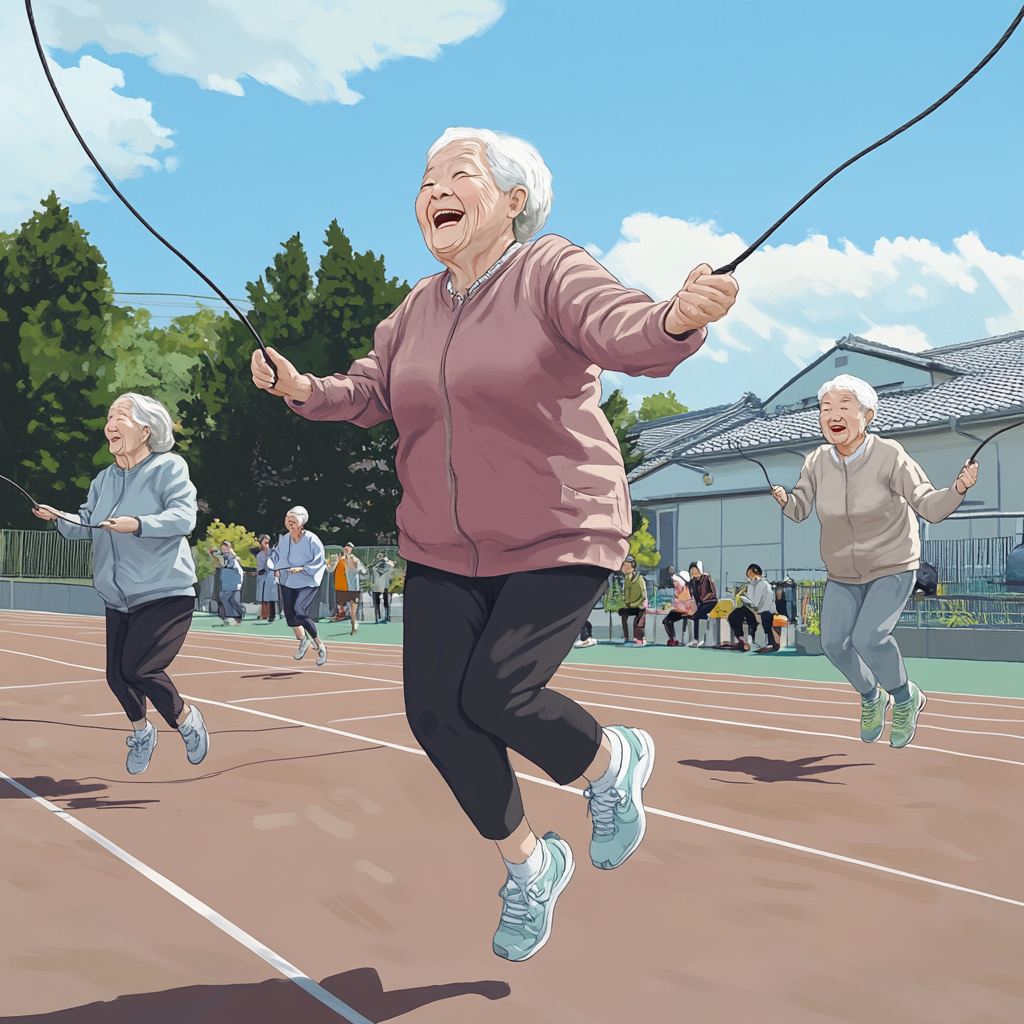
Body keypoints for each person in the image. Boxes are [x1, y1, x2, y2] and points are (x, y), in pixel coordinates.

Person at [251, 126, 737, 961]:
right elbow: (370, 391)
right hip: (441, 546)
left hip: (560, 529)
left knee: (499, 696)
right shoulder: (415, 307)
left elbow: (625, 329)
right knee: (437, 714)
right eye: (426, 179)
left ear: (513, 201)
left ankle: (610, 764)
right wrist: (302, 388)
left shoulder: (551, 269)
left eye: (458, 174)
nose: (434, 189)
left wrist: (676, 319)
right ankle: (528, 865)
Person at [772, 374, 979, 747]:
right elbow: (801, 508)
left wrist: (958, 490)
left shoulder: (890, 455)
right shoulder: (817, 460)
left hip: (893, 564)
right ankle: (872, 696)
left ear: (867, 414)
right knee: (834, 644)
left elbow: (929, 506)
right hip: (842, 572)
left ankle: (904, 697)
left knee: (870, 637)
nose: (832, 415)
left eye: (843, 407)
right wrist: (787, 501)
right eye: (825, 409)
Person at [32, 393, 209, 775]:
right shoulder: (104, 479)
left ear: (146, 430)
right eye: (109, 416)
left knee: (139, 669)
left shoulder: (169, 467)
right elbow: (87, 522)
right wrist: (58, 516)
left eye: (121, 417)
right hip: (118, 597)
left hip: (165, 591)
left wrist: (139, 523)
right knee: (116, 676)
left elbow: (184, 518)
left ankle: (185, 718)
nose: (110, 424)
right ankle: (142, 732)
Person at [268, 507, 328, 666]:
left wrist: (302, 568)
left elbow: (320, 560)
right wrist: (275, 567)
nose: (290, 524)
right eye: (288, 520)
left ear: (301, 524)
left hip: (308, 580)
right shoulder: (284, 539)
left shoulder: (311, 539)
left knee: (299, 610)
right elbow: (277, 556)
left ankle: (318, 642)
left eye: (293, 521)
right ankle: (303, 640)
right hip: (288, 580)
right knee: (290, 616)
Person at [727, 564, 777, 651]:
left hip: (765, 608)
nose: (750, 576)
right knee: (733, 616)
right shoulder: (750, 585)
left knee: (765, 619)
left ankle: (769, 644)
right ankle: (742, 639)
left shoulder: (764, 584)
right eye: (749, 575)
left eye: (752, 574)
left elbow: (756, 602)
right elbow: (751, 601)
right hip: (753, 608)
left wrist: (748, 602)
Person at [331, 542, 365, 633]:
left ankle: (354, 622)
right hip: (341, 587)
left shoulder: (355, 559)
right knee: (340, 603)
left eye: (349, 549)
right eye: (345, 549)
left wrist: (357, 567)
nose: (346, 551)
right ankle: (342, 614)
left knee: (352, 605)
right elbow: (330, 569)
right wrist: (333, 562)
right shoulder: (339, 559)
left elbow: (361, 569)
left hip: (352, 587)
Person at [210, 540, 244, 625]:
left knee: (232, 600)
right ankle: (230, 617)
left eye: (225, 548)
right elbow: (222, 565)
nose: (223, 550)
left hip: (233, 583)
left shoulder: (232, 559)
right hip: (225, 583)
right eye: (222, 549)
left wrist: (239, 582)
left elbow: (228, 565)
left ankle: (238, 614)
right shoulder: (223, 557)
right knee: (225, 599)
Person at [684, 561, 718, 647]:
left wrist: (705, 599)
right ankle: (698, 639)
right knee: (697, 617)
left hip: (711, 601)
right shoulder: (693, 581)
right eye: (691, 570)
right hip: (702, 603)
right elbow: (695, 595)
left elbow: (712, 591)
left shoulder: (706, 577)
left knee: (696, 616)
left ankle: (698, 639)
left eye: (695, 569)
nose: (693, 572)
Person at [662, 567, 696, 646]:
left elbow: (686, 605)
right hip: (680, 611)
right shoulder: (678, 590)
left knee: (668, 620)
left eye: (676, 582)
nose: (674, 583)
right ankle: (673, 638)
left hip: (685, 612)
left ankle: (673, 638)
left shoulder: (686, 591)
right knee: (667, 621)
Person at [618, 556, 648, 646]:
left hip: (640, 606)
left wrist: (634, 604)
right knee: (623, 615)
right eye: (624, 566)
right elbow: (625, 594)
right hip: (630, 605)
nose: (625, 569)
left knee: (638, 620)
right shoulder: (626, 580)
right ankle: (626, 637)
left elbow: (643, 596)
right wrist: (625, 602)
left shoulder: (640, 579)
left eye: (628, 567)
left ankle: (639, 637)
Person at [254, 534, 278, 622]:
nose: (267, 545)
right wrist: (261, 569)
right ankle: (265, 614)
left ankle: (274, 614)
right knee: (264, 595)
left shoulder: (274, 552)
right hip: (264, 576)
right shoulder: (259, 555)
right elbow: (260, 567)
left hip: (273, 575)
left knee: (272, 595)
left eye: (268, 543)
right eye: (265, 543)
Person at [370, 551, 395, 623]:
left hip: (379, 586)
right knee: (384, 602)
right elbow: (391, 576)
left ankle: (380, 616)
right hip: (383, 585)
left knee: (381, 602)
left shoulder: (374, 568)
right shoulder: (389, 568)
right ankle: (384, 616)